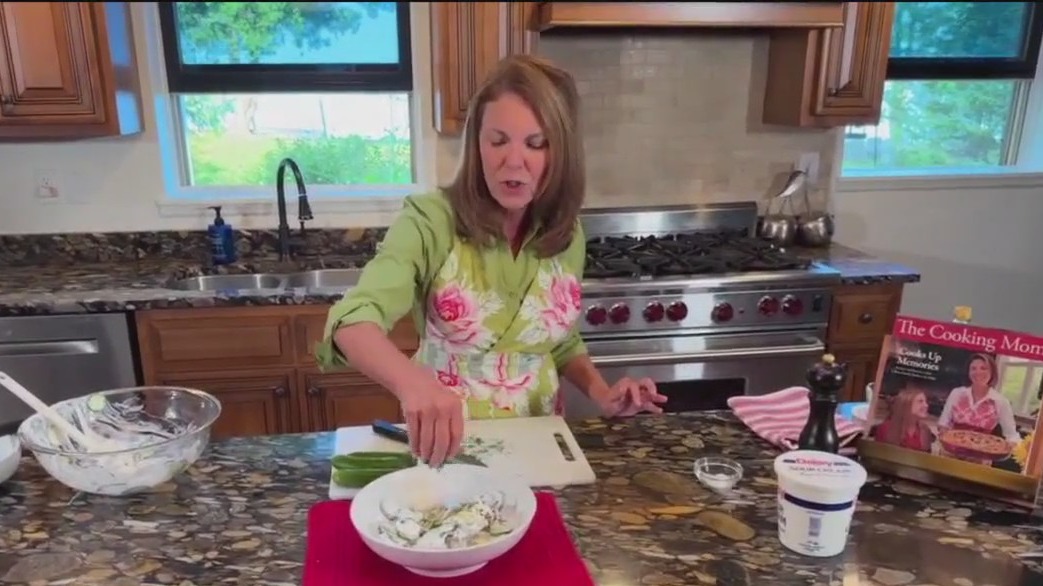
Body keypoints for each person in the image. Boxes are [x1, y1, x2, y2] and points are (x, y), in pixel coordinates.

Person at [314, 54, 667, 467]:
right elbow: (352, 321)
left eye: (536, 144)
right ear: (476, 143)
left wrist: (601, 393)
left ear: (561, 154)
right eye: (498, 140)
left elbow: (561, 341)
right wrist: (413, 384)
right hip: (448, 451)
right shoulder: (431, 221)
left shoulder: (567, 235)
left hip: (543, 448)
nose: (513, 161)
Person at [937, 353, 1021, 447]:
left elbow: (1012, 435)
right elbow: (943, 423)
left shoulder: (1001, 402)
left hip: (981, 455)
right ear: (968, 372)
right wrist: (945, 435)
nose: (978, 372)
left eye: (983, 368)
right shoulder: (956, 393)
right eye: (973, 368)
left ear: (992, 372)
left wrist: (1016, 446)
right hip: (951, 449)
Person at [872, 387, 933, 452]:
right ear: (906, 404)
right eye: (920, 401)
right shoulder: (886, 428)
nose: (926, 405)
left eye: (926, 402)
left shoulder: (925, 431)